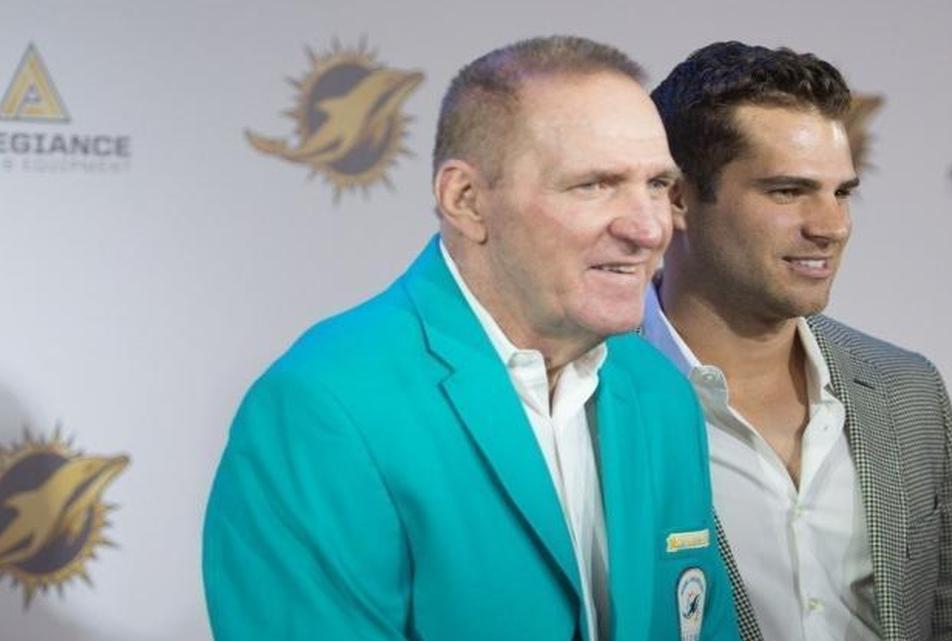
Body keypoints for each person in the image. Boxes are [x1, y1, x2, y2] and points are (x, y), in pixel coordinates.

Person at [203, 36, 739, 641]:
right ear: (465, 200)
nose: (647, 227)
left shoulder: (657, 389)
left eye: (658, 185)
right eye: (594, 185)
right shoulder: (322, 407)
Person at [644, 42, 952, 641]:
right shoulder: (590, 397)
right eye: (788, 192)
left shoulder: (905, 389)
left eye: (841, 192)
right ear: (677, 197)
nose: (831, 226)